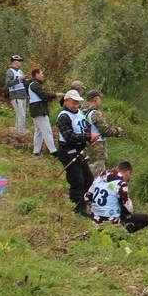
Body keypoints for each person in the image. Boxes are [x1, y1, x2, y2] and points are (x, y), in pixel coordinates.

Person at [55, 89, 97, 217]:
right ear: (66, 101)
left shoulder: (79, 112)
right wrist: (87, 137)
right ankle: (76, 208)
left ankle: (85, 204)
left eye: (78, 102)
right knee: (77, 180)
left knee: (89, 179)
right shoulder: (63, 116)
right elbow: (69, 136)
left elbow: (85, 127)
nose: (76, 105)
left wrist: (89, 138)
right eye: (73, 102)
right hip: (67, 150)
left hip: (79, 150)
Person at [85, 161, 148, 233]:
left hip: (95, 219)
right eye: (129, 175)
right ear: (127, 173)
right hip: (111, 221)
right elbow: (129, 209)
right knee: (145, 218)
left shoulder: (99, 178)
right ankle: (121, 234)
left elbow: (87, 197)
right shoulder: (120, 184)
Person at [83, 90, 124, 177]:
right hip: (97, 146)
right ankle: (95, 188)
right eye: (100, 98)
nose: (100, 101)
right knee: (98, 170)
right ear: (96, 99)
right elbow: (105, 131)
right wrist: (117, 131)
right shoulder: (95, 113)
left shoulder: (84, 111)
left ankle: (86, 187)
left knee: (89, 166)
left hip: (87, 143)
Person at [28, 67, 64, 156]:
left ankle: (36, 152)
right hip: (39, 109)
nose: (42, 75)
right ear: (36, 74)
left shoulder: (33, 84)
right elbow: (44, 95)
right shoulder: (34, 85)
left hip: (36, 109)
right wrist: (56, 94)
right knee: (47, 130)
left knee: (39, 132)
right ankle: (53, 151)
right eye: (41, 73)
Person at [5, 55, 27, 135]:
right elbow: (8, 84)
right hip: (16, 95)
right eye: (19, 61)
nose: (20, 62)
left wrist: (25, 80)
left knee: (20, 115)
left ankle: (18, 133)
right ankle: (21, 134)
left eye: (21, 61)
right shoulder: (10, 71)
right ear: (13, 61)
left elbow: (21, 82)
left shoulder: (20, 71)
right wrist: (18, 79)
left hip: (22, 95)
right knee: (22, 115)